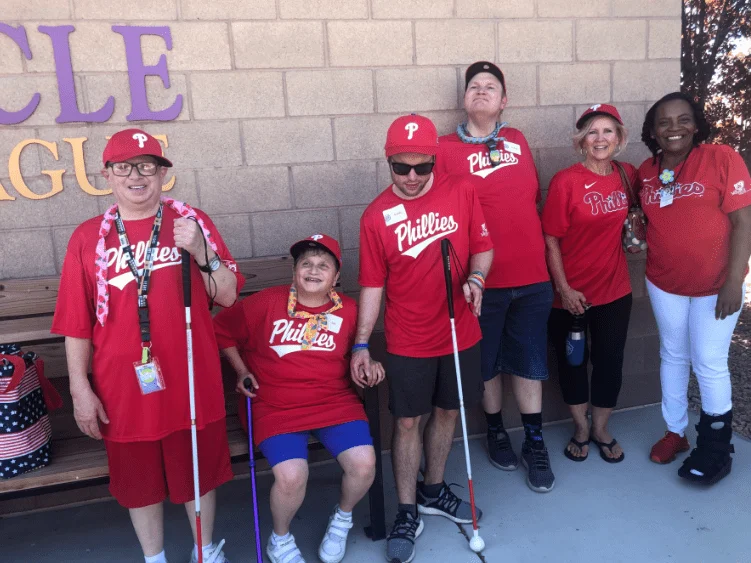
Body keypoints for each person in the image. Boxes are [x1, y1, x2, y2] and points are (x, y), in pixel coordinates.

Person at [52, 129, 243, 563]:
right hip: (123, 388)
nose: (136, 176)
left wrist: (201, 251)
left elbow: (228, 295)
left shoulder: (193, 222)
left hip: (191, 379)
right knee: (139, 481)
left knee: (196, 474)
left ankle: (204, 551)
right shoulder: (88, 238)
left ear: (162, 174)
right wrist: (80, 390)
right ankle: (154, 558)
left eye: (147, 166)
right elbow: (77, 326)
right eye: (124, 167)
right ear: (107, 174)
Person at [352, 114, 494, 563]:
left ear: (435, 160)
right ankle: (407, 509)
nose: (412, 177)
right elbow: (372, 286)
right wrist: (360, 343)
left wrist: (476, 277)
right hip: (408, 338)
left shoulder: (463, 191)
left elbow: (483, 248)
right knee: (408, 422)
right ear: (388, 161)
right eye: (401, 167)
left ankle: (434, 489)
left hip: (459, 330)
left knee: (448, 411)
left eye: (422, 167)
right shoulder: (375, 217)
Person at [213, 234, 381, 563]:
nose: (313, 271)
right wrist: (241, 369)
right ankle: (280, 538)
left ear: (335, 276)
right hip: (274, 405)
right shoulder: (265, 302)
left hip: (333, 402)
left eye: (323, 265)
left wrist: (370, 364)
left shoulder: (348, 310)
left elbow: (360, 352)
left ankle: (342, 519)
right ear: (294, 272)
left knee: (364, 466)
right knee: (292, 477)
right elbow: (220, 328)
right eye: (306, 264)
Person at [436, 61, 555, 492]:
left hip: (532, 277)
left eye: (491, 86)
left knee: (528, 362)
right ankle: (496, 430)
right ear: (464, 98)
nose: (481, 91)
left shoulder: (518, 140)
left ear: (504, 100)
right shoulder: (443, 148)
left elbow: (532, 198)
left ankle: (535, 441)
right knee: (485, 366)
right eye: (474, 86)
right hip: (478, 283)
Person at [638, 92, 751, 484]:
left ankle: (717, 447)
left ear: (697, 124)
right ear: (652, 130)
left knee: (708, 359)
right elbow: (649, 222)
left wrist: (735, 281)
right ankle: (675, 432)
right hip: (664, 282)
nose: (673, 129)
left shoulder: (721, 158)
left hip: (716, 286)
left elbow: (742, 223)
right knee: (673, 354)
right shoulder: (647, 171)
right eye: (664, 122)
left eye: (683, 120)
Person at [542, 104, 636, 464]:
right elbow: (551, 240)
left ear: (619, 137)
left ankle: (601, 429)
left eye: (608, 131)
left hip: (615, 291)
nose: (600, 139)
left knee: (610, 362)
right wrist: (564, 290)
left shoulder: (627, 175)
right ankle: (580, 428)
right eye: (592, 132)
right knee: (572, 364)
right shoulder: (567, 181)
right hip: (571, 296)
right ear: (581, 141)